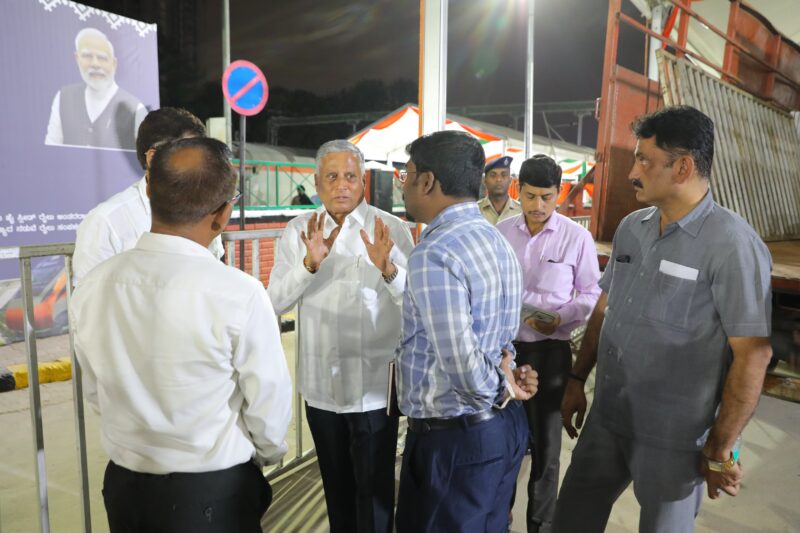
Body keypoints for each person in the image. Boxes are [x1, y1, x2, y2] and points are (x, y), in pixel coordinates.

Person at [553, 106, 773, 532]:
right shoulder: (632, 227)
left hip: (675, 438)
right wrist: (578, 379)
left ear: (683, 167)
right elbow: (605, 307)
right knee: (572, 518)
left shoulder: (732, 246)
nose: (632, 173)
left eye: (644, 161)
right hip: (608, 418)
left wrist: (721, 447)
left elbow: (752, 356)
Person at [70, 137, 293, 533]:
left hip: (126, 489)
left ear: (150, 193)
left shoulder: (93, 285)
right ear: (223, 214)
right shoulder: (238, 293)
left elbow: (95, 390)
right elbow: (268, 405)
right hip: (213, 496)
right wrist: (266, 453)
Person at [395, 131, 538, 533]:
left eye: (407, 176)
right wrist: (507, 381)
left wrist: (503, 386)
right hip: (501, 428)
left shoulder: (435, 253)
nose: (403, 186)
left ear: (427, 181)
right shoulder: (495, 239)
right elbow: (500, 341)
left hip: (456, 440)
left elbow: (464, 368)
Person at [268, 140, 414, 533]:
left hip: (373, 390)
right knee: (336, 492)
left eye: (350, 176)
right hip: (321, 388)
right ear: (316, 183)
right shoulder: (299, 231)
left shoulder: (390, 229)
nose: (341, 184)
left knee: (375, 495)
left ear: (363, 180)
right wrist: (308, 265)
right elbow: (275, 302)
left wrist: (389, 271)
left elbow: (415, 304)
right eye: (331, 176)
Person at [496, 154, 601, 533]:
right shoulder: (501, 233)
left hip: (550, 353)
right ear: (517, 190)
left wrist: (561, 317)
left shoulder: (576, 237)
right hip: (504, 353)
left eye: (546, 197)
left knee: (546, 449)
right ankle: (498, 519)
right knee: (502, 443)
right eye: (529, 196)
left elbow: (591, 293)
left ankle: (541, 525)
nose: (538, 206)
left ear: (559, 193)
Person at [72, 107, 223, 286]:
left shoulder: (204, 211)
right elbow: (88, 296)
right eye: (188, 156)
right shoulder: (105, 222)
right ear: (153, 158)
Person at [45, 27, 146, 150]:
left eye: (102, 58)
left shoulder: (135, 108)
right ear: (77, 58)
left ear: (114, 63)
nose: (95, 64)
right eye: (87, 56)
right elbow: (51, 149)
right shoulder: (63, 98)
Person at [478, 156, 521, 224]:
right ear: (484, 180)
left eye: (504, 175)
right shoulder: (475, 210)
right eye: (493, 175)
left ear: (510, 180)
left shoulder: (522, 211)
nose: (498, 179)